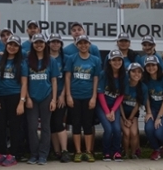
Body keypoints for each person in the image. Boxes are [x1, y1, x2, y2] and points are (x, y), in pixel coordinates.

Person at [0, 35, 28, 167]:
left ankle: (13, 154)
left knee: (14, 127)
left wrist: (21, 102)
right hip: (0, 97)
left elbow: (24, 84)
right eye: (10, 44)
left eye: (15, 45)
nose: (12, 47)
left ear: (19, 48)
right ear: (6, 46)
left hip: (15, 96)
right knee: (0, 127)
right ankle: (1, 153)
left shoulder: (22, 63)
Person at [64, 34, 101, 163]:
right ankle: (78, 152)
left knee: (88, 125)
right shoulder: (71, 58)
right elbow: (68, 77)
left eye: (86, 43)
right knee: (76, 125)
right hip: (74, 97)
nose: (83, 45)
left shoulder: (95, 60)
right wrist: (68, 95)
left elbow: (96, 79)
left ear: (89, 44)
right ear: (77, 45)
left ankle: (89, 151)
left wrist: (94, 97)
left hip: (88, 97)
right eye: (80, 43)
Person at [24, 34, 58, 165]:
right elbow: (24, 81)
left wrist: (54, 100)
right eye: (36, 42)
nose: (39, 45)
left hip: (46, 97)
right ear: (32, 44)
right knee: (32, 127)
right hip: (32, 98)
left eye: (41, 42)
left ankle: (43, 155)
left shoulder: (51, 60)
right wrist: (27, 98)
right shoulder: (27, 60)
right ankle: (34, 154)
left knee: (45, 127)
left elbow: (54, 81)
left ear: (45, 44)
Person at [143, 55, 163, 160]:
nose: (151, 67)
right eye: (148, 65)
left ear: (158, 66)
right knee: (148, 129)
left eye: (153, 65)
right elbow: (146, 97)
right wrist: (148, 112)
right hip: (153, 108)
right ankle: (157, 149)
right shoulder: (145, 80)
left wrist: (159, 117)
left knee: (159, 131)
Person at [96, 50, 126, 161]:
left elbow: (121, 95)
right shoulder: (103, 74)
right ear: (109, 62)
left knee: (117, 129)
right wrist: (107, 112)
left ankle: (117, 151)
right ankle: (106, 152)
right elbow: (100, 94)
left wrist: (113, 110)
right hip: (102, 106)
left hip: (114, 106)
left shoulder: (124, 75)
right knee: (108, 129)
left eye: (119, 60)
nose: (117, 62)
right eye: (114, 60)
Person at [47, 34, 70, 163]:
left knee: (58, 122)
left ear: (61, 44)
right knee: (51, 124)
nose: (55, 44)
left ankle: (65, 150)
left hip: (61, 95)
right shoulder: (45, 58)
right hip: (47, 95)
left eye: (58, 42)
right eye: (53, 42)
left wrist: (63, 96)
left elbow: (67, 79)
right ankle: (57, 152)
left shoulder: (65, 58)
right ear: (49, 44)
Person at [121, 63, 147, 159]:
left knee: (134, 133)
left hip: (133, 114)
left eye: (139, 72)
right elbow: (119, 103)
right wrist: (124, 119)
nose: (136, 74)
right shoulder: (124, 84)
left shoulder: (143, 87)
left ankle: (133, 153)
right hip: (122, 113)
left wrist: (130, 119)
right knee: (126, 133)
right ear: (129, 73)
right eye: (133, 71)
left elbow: (137, 105)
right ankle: (125, 153)